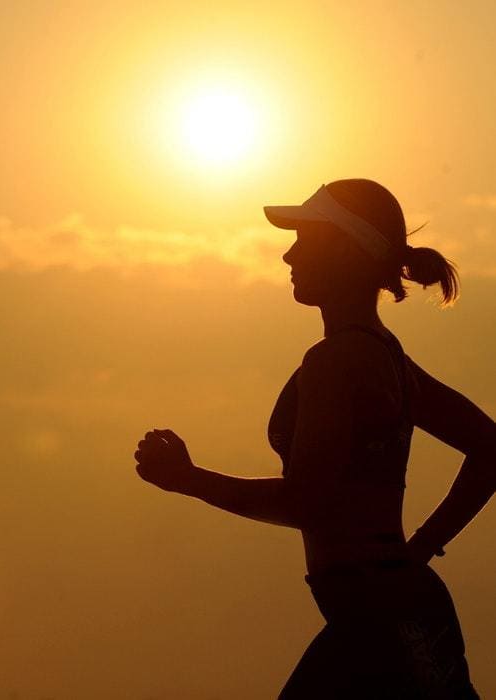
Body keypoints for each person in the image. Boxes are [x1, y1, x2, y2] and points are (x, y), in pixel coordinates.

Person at [133, 179, 496, 698]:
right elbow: (491, 447)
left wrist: (190, 480)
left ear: (348, 251)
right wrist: (418, 550)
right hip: (395, 612)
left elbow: (308, 501)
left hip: (378, 624)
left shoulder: (335, 361)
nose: (287, 254)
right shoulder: (388, 356)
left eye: (305, 239)